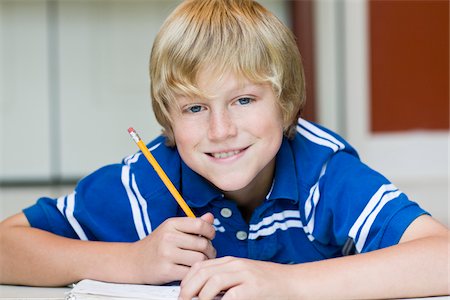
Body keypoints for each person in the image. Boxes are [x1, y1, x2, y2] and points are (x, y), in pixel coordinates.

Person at [0, 0, 448, 299]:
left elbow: (441, 257)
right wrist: (132, 260)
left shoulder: (323, 172)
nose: (220, 129)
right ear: (168, 119)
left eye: (244, 100)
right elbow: (6, 245)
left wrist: (287, 285)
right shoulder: (147, 179)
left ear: (287, 103)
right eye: (195, 107)